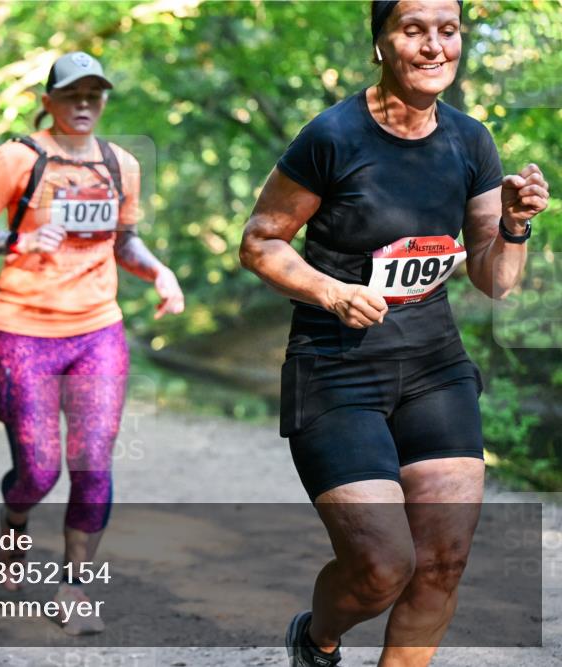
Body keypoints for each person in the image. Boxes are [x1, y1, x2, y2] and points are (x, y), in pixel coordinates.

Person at [239, 2, 549, 665]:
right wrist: (330, 289)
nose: (435, 46)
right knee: (383, 564)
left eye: (449, 29)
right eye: (414, 30)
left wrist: (516, 225)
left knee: (442, 562)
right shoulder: (332, 137)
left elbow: (494, 280)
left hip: (434, 366)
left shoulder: (471, 143)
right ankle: (316, 637)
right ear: (381, 42)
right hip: (335, 368)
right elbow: (260, 242)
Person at [0, 51, 184, 635]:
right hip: (22, 330)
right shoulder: (16, 158)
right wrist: (15, 241)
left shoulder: (120, 165)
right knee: (37, 470)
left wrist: (159, 272)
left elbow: (124, 242)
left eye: (94, 94)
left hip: (96, 330)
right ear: (48, 101)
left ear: (104, 100)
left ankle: (75, 586)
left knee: (93, 463)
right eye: (72, 94)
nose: (84, 104)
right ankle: (14, 519)